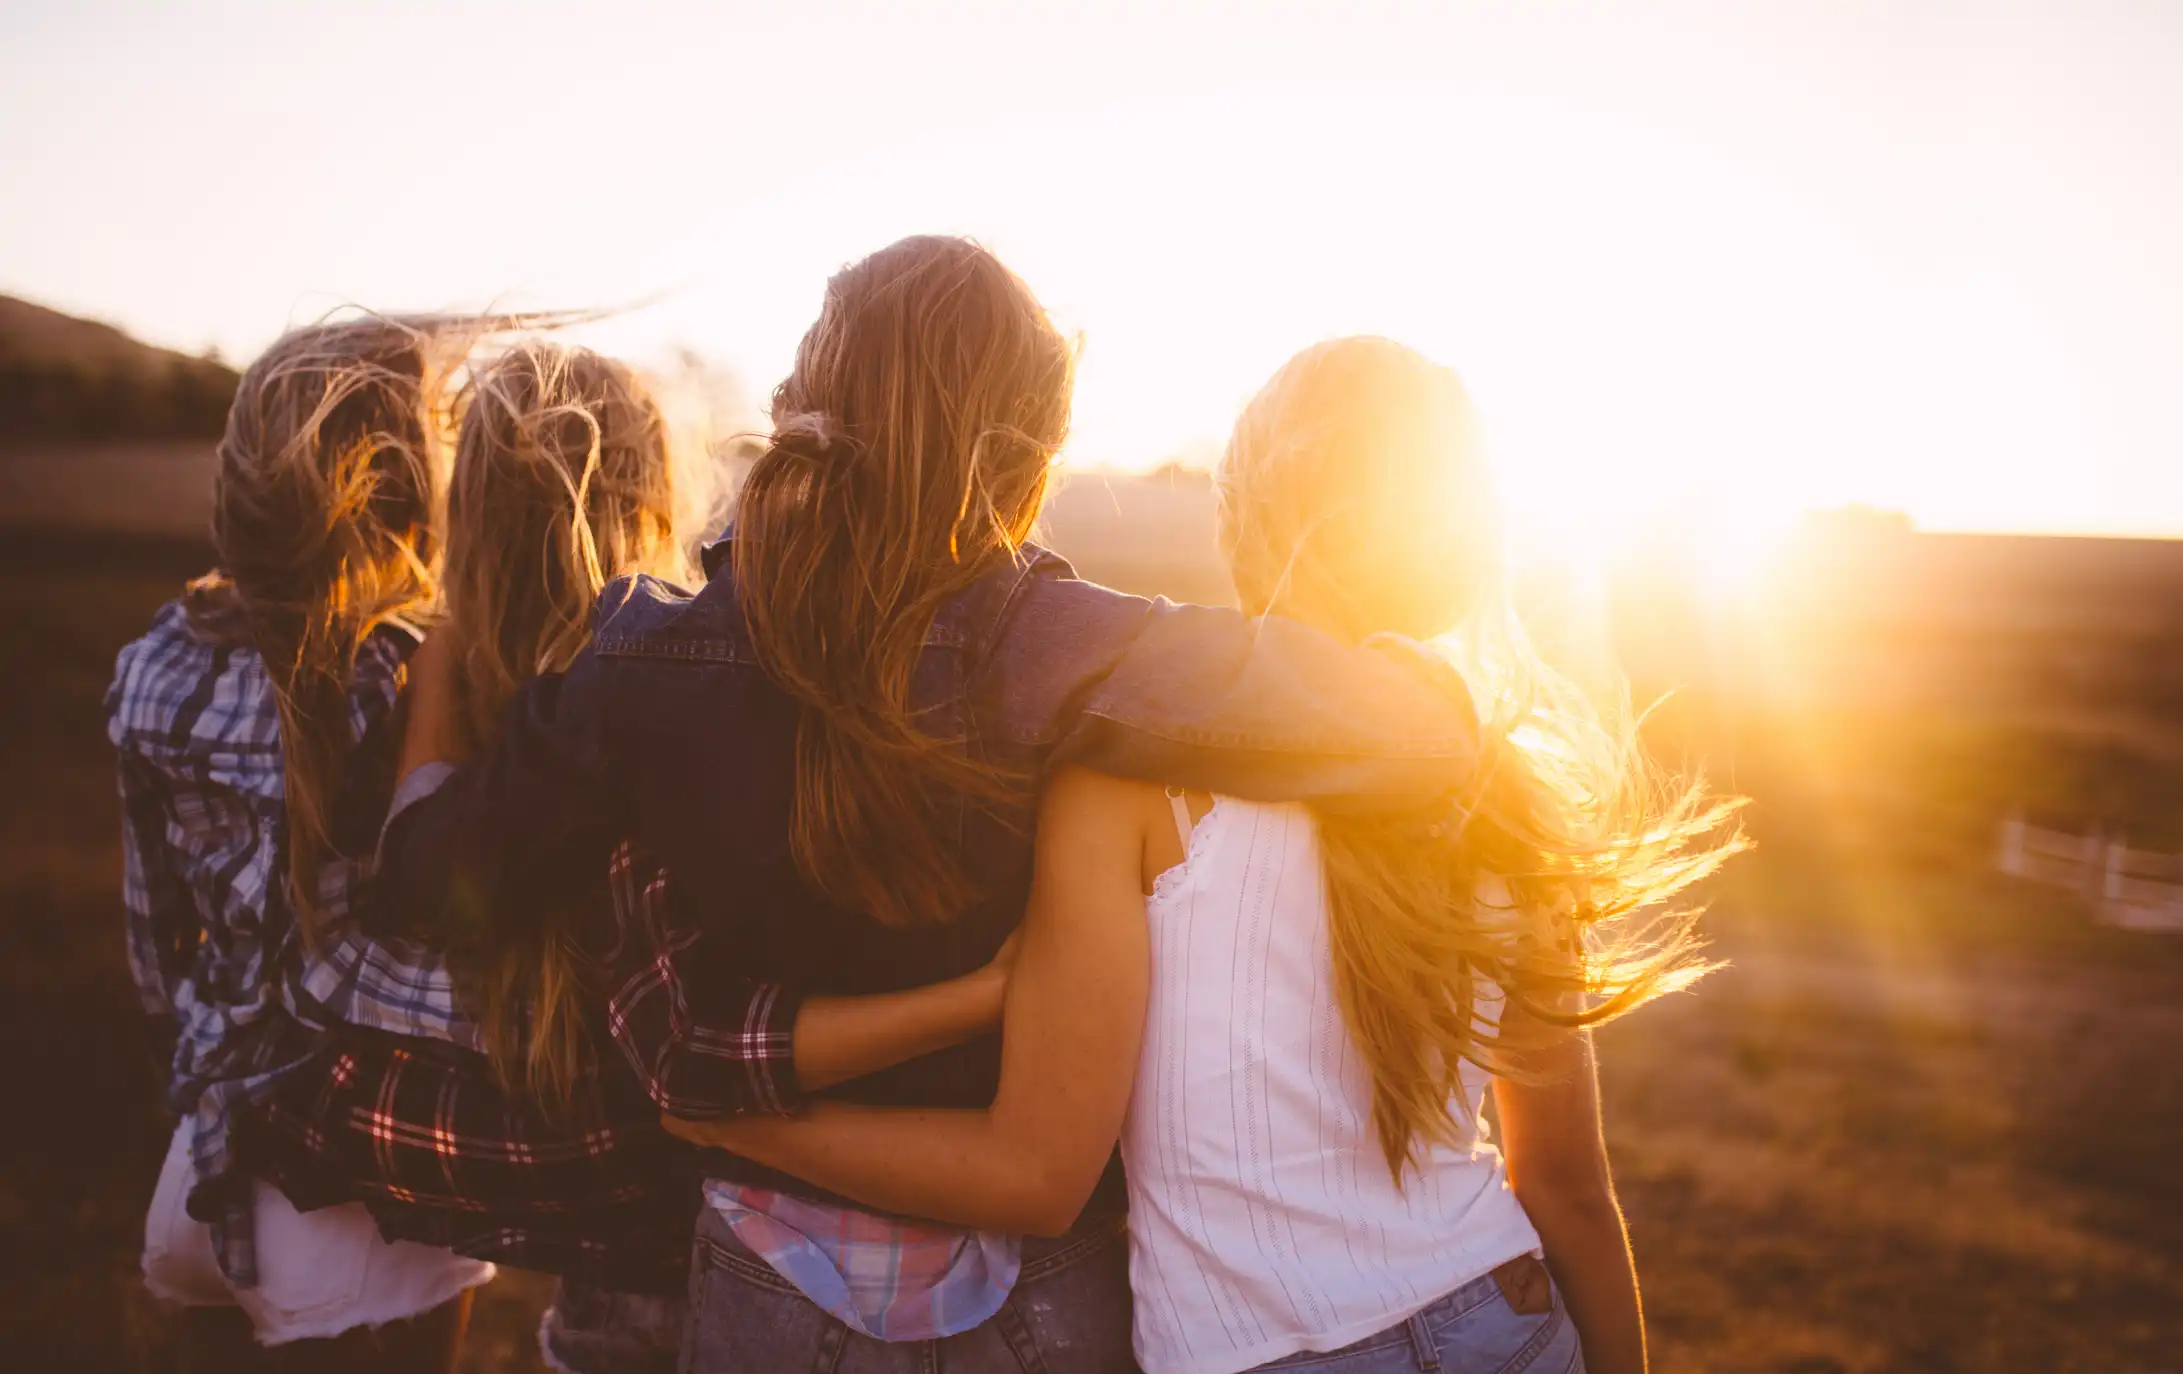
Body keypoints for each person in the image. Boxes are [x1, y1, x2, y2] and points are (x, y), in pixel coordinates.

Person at [374, 238, 1490, 1373]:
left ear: (801, 400)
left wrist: (430, 699)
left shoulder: (643, 659)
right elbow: (1416, 730)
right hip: (1035, 1293)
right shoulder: (1075, 651)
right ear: (1026, 459)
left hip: (770, 1274)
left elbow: (433, 883)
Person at [668, 337, 1746, 1374]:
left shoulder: (1130, 780)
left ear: (1238, 518)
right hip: (1499, 1320)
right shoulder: (1502, 785)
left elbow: (1036, 1174)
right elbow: (1564, 1190)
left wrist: (744, 1128)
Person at [243, 339, 1026, 1374]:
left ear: (465, 534)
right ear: (657, 502)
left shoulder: (529, 742)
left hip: (654, 1286)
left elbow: (397, 914)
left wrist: (435, 674)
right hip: (791, 1253)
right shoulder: (713, 701)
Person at [108, 317, 495, 1371]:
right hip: (370, 1193)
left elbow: (153, 949)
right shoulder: (416, 679)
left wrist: (191, 1095)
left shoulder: (153, 665)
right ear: (420, 495)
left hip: (200, 1173)